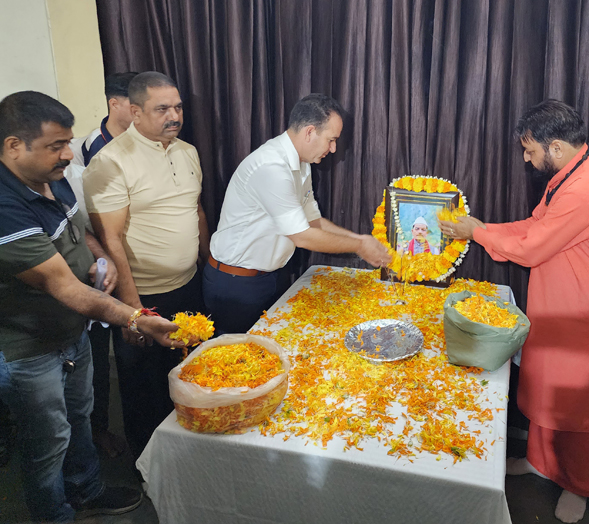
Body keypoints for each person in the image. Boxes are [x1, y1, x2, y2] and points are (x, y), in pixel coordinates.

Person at [441, 100, 589, 523]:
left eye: (529, 149)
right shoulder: (574, 169)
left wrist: (477, 232)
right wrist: (483, 228)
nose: (525, 157)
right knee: (550, 383)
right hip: (569, 301)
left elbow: (533, 246)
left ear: (555, 147)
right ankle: (543, 464)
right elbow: (535, 225)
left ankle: (585, 485)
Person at [0, 91, 183, 522]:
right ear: (13, 146)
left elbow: (79, 230)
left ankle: (86, 489)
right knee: (47, 440)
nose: (68, 153)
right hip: (30, 348)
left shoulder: (49, 176)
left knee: (80, 419)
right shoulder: (5, 207)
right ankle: (54, 514)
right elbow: (64, 287)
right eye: (55, 145)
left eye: (67, 142)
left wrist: (99, 255)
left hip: (72, 333)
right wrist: (136, 316)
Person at [83, 71, 211, 459]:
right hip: (143, 295)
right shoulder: (110, 162)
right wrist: (134, 312)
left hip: (190, 284)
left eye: (177, 107)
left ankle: (195, 455)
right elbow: (111, 240)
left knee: (191, 376)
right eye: (162, 109)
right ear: (135, 112)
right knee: (145, 390)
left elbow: (196, 210)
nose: (174, 115)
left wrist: (209, 264)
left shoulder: (187, 151)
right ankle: (149, 466)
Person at [205, 93, 391, 335]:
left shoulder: (301, 164)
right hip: (236, 284)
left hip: (268, 278)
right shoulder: (272, 166)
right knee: (240, 366)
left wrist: (362, 240)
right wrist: (358, 246)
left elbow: (314, 221)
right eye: (331, 140)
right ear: (309, 132)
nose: (333, 149)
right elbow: (302, 236)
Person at [65, 71, 137, 459]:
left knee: (105, 363)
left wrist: (104, 255)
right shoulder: (94, 151)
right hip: (83, 283)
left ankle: (103, 430)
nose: (66, 152)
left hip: (104, 269)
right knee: (87, 367)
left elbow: (85, 222)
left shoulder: (66, 175)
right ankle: (93, 442)